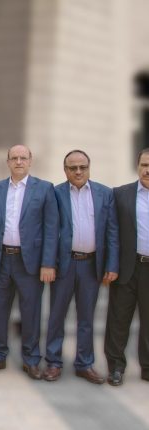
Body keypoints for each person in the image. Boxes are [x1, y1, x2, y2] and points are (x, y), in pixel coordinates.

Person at [0, 145, 58, 380]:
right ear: (7, 162)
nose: (18, 162)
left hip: (31, 263)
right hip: (2, 259)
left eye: (23, 158)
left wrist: (48, 263)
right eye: (14, 158)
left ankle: (31, 359)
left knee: (31, 311)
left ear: (30, 161)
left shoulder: (44, 189)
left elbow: (51, 228)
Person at [43, 150, 117, 384]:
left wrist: (111, 264)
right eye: (72, 167)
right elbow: (50, 231)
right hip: (64, 265)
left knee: (86, 317)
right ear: (65, 170)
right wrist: (48, 263)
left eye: (82, 167)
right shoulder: (55, 193)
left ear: (89, 168)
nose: (78, 171)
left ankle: (84, 364)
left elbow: (112, 232)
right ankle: (54, 362)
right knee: (57, 315)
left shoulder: (105, 193)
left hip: (91, 265)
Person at [104, 148, 149, 386]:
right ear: (138, 166)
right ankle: (116, 368)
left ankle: (147, 368)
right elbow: (112, 233)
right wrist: (111, 265)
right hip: (127, 268)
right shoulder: (121, 194)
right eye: (144, 165)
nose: (147, 170)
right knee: (118, 320)